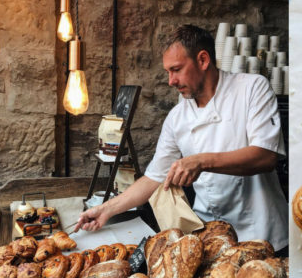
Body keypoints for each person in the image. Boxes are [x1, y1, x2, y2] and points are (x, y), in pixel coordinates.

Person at [74, 24, 288, 253]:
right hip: (210, 235)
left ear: (203, 60)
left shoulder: (252, 88)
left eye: (176, 69)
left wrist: (200, 161)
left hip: (261, 235)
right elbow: (154, 178)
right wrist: (106, 209)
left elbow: (265, 156)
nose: (171, 81)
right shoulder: (178, 117)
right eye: (168, 72)